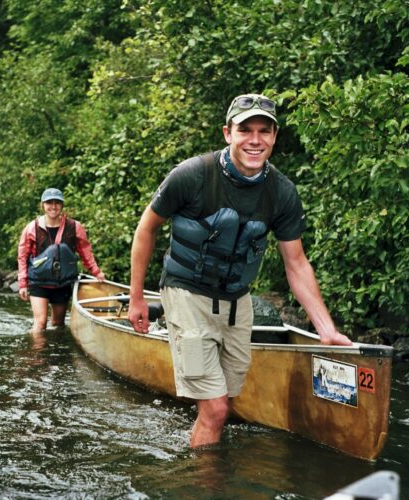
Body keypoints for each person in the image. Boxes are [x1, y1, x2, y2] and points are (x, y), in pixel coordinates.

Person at [128, 93, 351, 448]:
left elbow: (296, 263)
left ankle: (203, 461)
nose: (255, 139)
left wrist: (326, 330)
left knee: (227, 402)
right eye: (245, 129)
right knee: (216, 409)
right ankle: (204, 486)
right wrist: (137, 297)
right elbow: (146, 229)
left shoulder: (282, 193)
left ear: (275, 137)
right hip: (186, 292)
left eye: (265, 131)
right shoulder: (191, 176)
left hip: (236, 300)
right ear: (227, 133)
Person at [18, 188, 105, 334]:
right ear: (43, 205)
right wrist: (22, 283)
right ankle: (37, 355)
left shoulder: (75, 227)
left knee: (58, 324)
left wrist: (96, 272)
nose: (53, 206)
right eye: (49, 203)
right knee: (40, 324)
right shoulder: (32, 228)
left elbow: (85, 252)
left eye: (57, 202)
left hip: (62, 283)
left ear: (62, 205)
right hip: (39, 282)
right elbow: (22, 256)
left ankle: (55, 355)